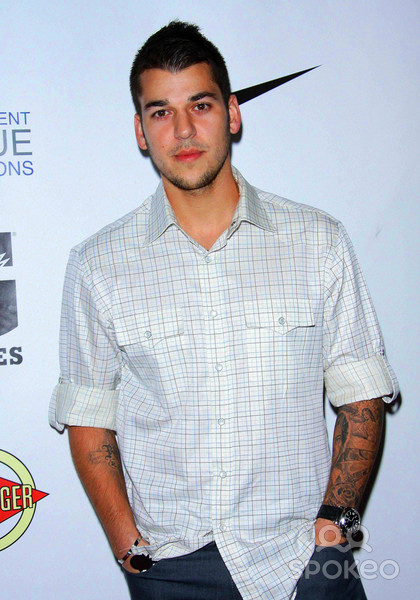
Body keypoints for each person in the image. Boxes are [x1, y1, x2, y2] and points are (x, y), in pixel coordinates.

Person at [49, 20, 398, 600]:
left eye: (201, 105)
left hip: (305, 558)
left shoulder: (318, 241)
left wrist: (335, 527)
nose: (183, 130)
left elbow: (361, 394)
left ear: (232, 113)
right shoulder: (98, 264)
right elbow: (89, 415)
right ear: (140, 130)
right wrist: (128, 547)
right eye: (161, 112)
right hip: (173, 566)